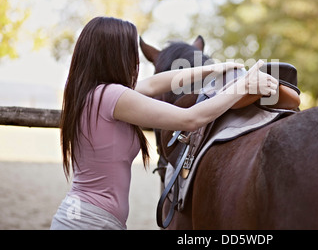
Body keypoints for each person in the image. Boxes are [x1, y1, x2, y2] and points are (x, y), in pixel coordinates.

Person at [50, 16, 278, 230]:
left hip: (85, 218)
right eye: (130, 51)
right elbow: (190, 119)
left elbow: (153, 85)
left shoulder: (91, 94)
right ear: (112, 55)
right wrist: (243, 87)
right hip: (90, 222)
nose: (136, 59)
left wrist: (215, 68)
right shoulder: (112, 96)